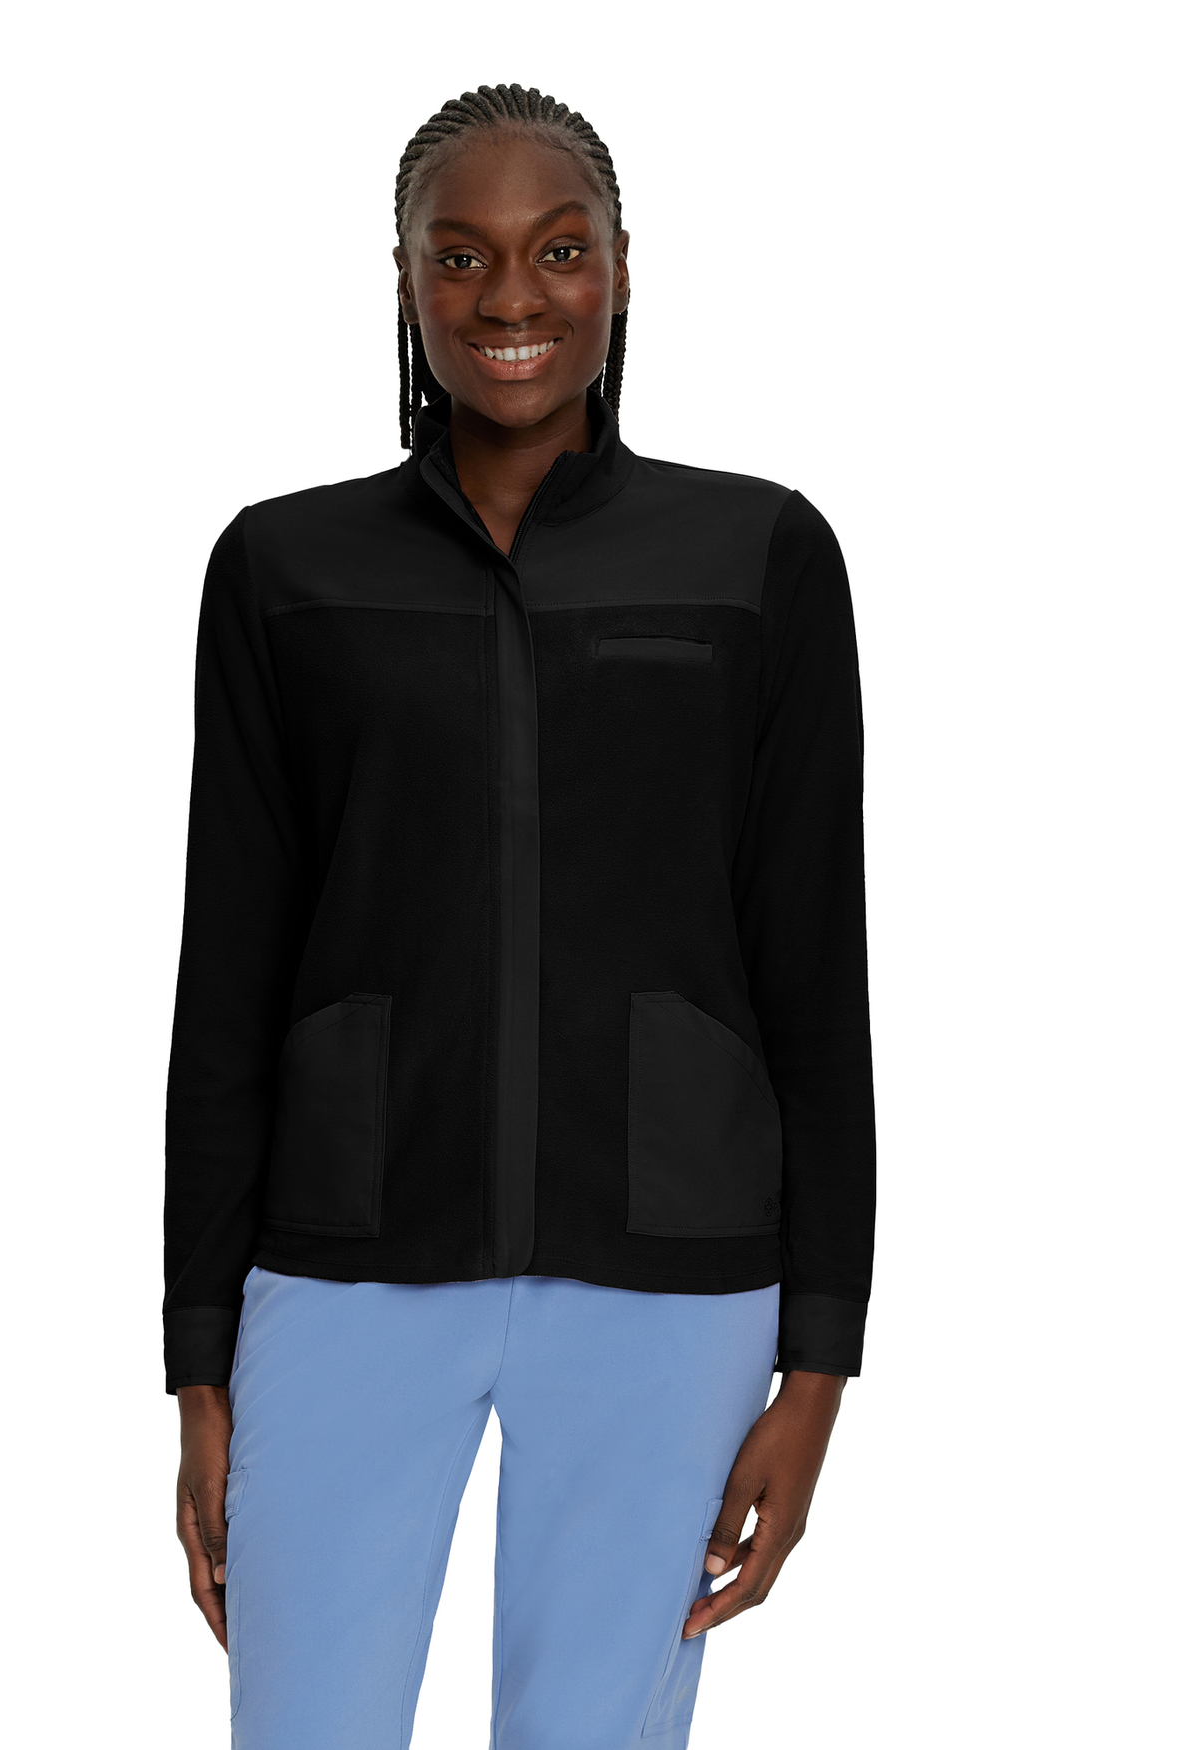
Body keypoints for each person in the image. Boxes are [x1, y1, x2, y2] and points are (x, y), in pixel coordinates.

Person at [166, 82, 875, 1750]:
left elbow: (815, 971)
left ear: (621, 268)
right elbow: (228, 975)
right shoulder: (282, 568)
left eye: (558, 250)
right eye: (461, 253)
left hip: (672, 1277)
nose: (511, 296)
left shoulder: (761, 556)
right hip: (344, 1262)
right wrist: (198, 1356)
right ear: (405, 278)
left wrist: (821, 1363)